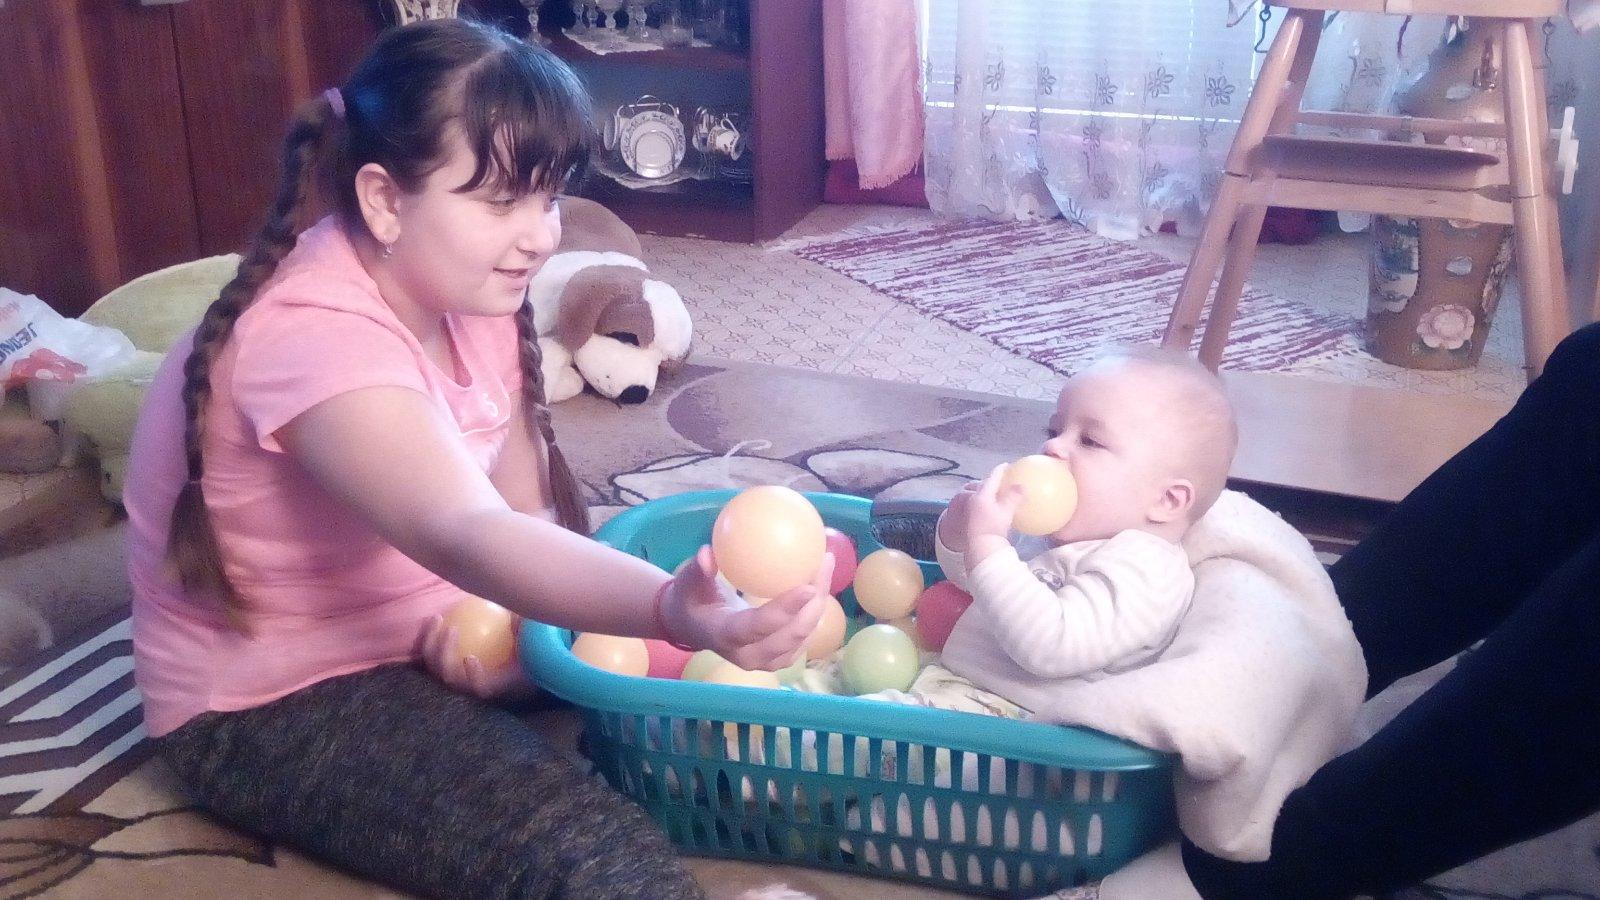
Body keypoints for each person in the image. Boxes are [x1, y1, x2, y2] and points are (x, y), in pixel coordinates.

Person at [122, 19, 826, 900]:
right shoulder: (309, 336)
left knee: (701, 712)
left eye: (549, 197)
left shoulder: (472, 291)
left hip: (444, 627)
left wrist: (519, 641)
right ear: (385, 201)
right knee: (576, 845)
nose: (541, 237)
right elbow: (466, 530)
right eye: (501, 202)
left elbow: (525, 516)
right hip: (279, 698)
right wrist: (666, 610)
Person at [921, 347, 1237, 716]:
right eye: (1055, 430)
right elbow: (976, 582)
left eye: (1089, 441)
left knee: (861, 731)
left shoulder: (1147, 572)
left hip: (1013, 722)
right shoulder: (1057, 530)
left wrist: (987, 542)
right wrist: (961, 531)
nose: (1053, 446)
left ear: (1166, 500)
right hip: (959, 690)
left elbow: (1048, 645)